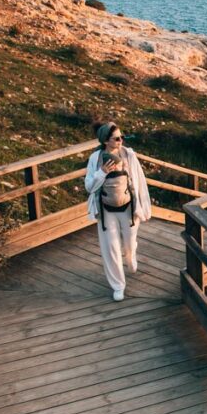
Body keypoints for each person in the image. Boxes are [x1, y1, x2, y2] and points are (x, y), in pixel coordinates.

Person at [84, 122, 152, 301]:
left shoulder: (129, 155)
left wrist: (144, 206)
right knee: (111, 248)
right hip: (106, 210)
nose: (121, 140)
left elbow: (140, 181)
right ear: (106, 140)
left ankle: (130, 255)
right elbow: (89, 187)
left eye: (122, 137)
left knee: (129, 241)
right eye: (116, 138)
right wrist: (102, 172)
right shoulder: (95, 158)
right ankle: (118, 286)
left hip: (128, 208)